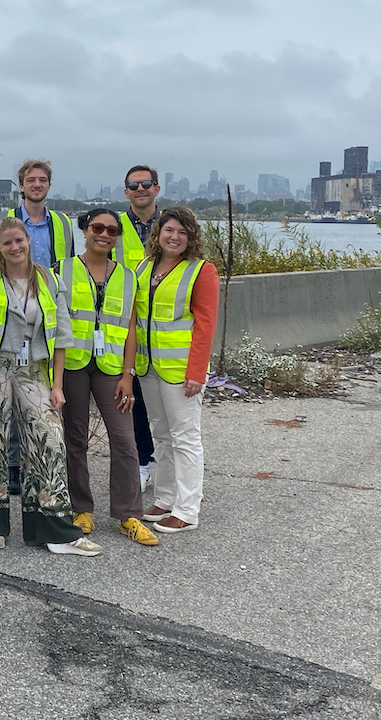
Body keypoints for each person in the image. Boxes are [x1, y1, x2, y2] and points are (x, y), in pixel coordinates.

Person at [0, 217, 101, 557]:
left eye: (19, 240)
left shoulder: (49, 279)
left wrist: (58, 385)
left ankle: (54, 530)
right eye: (7, 243)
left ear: (27, 240)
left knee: (49, 441)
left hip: (35, 370)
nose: (15, 247)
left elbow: (62, 335)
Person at [58, 209, 157, 546]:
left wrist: (129, 374)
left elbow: (131, 329)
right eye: (97, 228)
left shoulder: (129, 277)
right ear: (84, 231)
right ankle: (81, 508)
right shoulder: (64, 270)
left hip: (112, 368)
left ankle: (129, 514)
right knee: (75, 439)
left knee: (125, 440)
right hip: (72, 365)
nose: (105, 234)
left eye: (112, 230)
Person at [0, 158, 75, 497]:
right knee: (7, 393)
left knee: (38, 397)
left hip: (43, 313)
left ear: (48, 185)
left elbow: (63, 267)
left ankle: (36, 465)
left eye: (42, 180)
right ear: (21, 185)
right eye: (30, 180)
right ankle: (12, 468)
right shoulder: (1, 221)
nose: (36, 184)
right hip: (9, 313)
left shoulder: (62, 224)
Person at [134, 207, 219, 533]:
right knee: (163, 436)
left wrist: (197, 372)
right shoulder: (144, 267)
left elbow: (205, 325)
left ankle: (187, 509)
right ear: (158, 233)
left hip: (182, 371)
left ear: (191, 237)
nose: (174, 237)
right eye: (169, 230)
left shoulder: (201, 271)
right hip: (149, 367)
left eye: (182, 232)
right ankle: (165, 498)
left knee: (185, 438)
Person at [119, 165, 161, 489]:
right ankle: (143, 460)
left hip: (164, 324)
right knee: (134, 397)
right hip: (126, 323)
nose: (140, 188)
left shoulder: (173, 226)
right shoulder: (115, 227)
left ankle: (171, 466)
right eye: (134, 185)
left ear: (156, 188)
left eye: (146, 183)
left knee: (168, 402)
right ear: (126, 192)